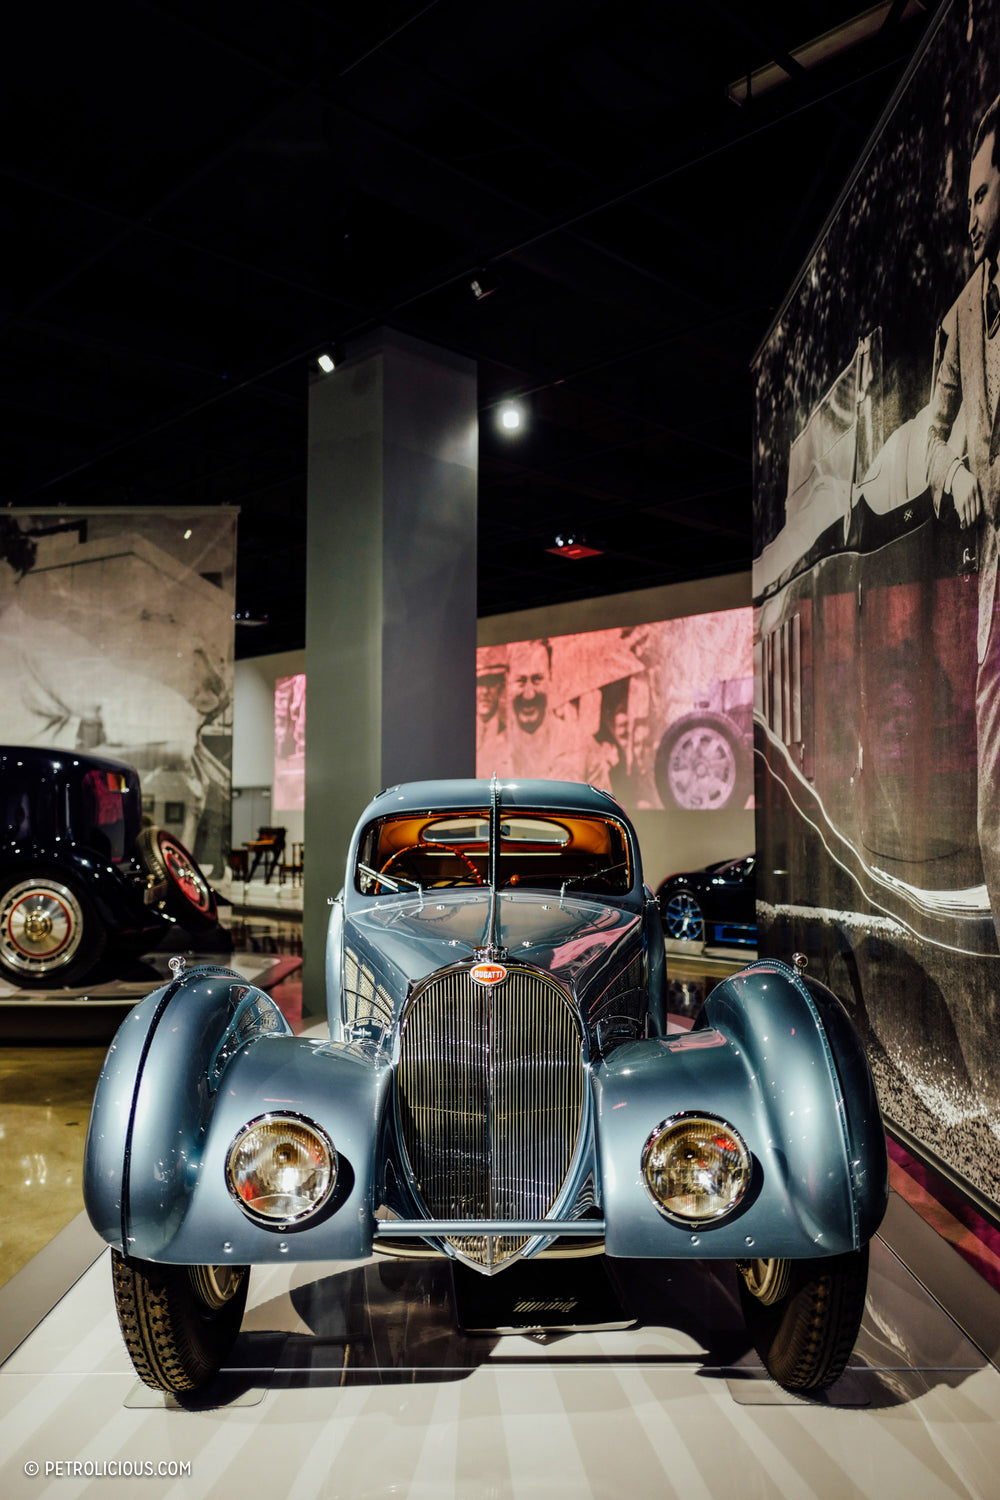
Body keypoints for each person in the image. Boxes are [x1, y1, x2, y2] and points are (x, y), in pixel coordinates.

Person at [927, 93, 1000, 937]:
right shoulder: (960, 318)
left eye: (983, 193)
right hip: (991, 559)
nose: (971, 214)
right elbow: (939, 431)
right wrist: (951, 471)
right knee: (991, 747)